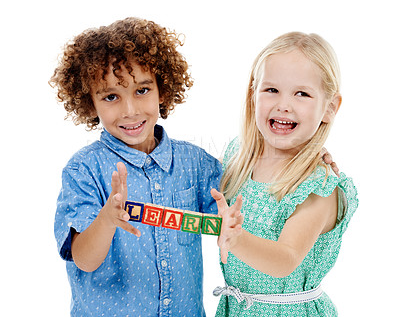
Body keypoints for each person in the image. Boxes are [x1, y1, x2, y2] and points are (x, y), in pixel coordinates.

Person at [51, 17, 222, 316]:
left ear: (162, 90)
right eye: (111, 96)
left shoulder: (196, 163)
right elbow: (84, 259)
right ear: (91, 103)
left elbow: (239, 209)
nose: (130, 110)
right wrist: (106, 219)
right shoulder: (83, 170)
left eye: (142, 91)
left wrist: (306, 153)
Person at [211, 32, 358, 316]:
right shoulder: (238, 157)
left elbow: (286, 259)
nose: (284, 105)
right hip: (238, 308)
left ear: (329, 107)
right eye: (271, 90)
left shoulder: (318, 187)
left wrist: (236, 238)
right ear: (253, 94)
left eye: (302, 93)